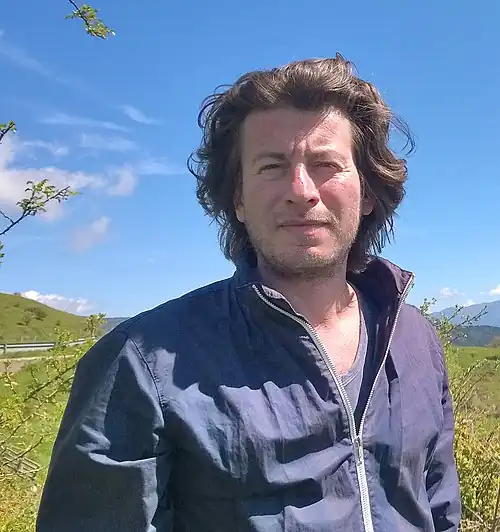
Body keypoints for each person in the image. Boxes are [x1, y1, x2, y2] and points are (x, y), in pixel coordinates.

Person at [36, 54, 461, 532]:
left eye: (326, 164)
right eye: (271, 166)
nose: (301, 190)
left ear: (366, 193)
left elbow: (438, 503)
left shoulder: (415, 338)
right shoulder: (142, 365)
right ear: (237, 199)